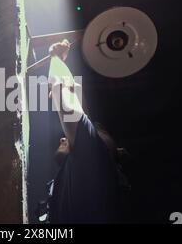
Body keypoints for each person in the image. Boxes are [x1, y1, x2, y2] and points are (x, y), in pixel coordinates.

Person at [45, 39, 128, 223]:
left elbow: (70, 110)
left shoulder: (96, 167)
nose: (62, 139)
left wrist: (57, 58)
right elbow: (76, 114)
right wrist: (58, 60)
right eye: (96, 130)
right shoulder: (98, 164)